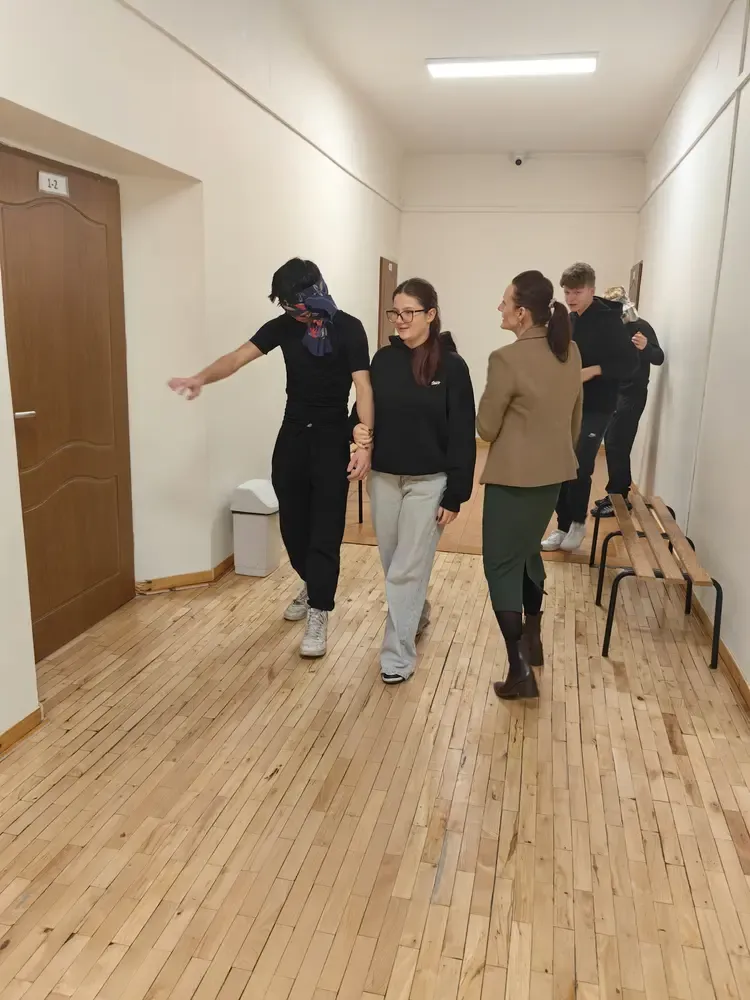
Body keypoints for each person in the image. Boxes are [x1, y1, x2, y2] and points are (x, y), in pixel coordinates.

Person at [168, 258, 374, 659]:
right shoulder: (283, 327)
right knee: (293, 527)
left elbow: (363, 388)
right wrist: (199, 378)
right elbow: (237, 357)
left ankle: (320, 610)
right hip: (293, 435)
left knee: (326, 529)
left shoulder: (349, 328)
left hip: (331, 437)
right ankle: (312, 583)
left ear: (312, 295)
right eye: (284, 306)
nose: (290, 313)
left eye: (293, 305)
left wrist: (364, 445)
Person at [352, 280, 476, 685]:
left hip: (429, 482)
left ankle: (397, 655)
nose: (400, 320)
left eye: (410, 312)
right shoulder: (384, 359)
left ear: (430, 315)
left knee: (406, 568)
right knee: (394, 563)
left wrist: (456, 494)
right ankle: (416, 611)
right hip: (384, 478)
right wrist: (357, 431)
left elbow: (462, 433)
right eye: (395, 312)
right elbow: (362, 409)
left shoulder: (452, 366)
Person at [478, 271, 582, 700]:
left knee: (500, 565)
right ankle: (533, 642)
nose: (499, 308)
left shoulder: (506, 359)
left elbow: (485, 428)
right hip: (553, 476)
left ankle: (519, 670)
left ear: (522, 313)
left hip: (512, 480)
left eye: (505, 302)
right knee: (526, 554)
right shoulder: (570, 352)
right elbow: (575, 417)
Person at [542, 262, 638, 554]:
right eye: (567, 292)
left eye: (577, 292)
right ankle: (562, 526)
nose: (571, 297)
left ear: (591, 290)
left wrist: (594, 370)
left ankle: (577, 524)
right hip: (566, 403)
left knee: (580, 465)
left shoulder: (609, 321)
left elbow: (629, 364)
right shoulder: (570, 320)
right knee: (559, 465)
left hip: (597, 406)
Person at [591, 287, 664, 517]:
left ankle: (619, 496)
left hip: (632, 394)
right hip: (614, 392)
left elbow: (658, 357)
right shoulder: (612, 329)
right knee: (613, 443)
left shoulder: (641, 327)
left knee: (616, 443)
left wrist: (645, 347)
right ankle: (617, 493)